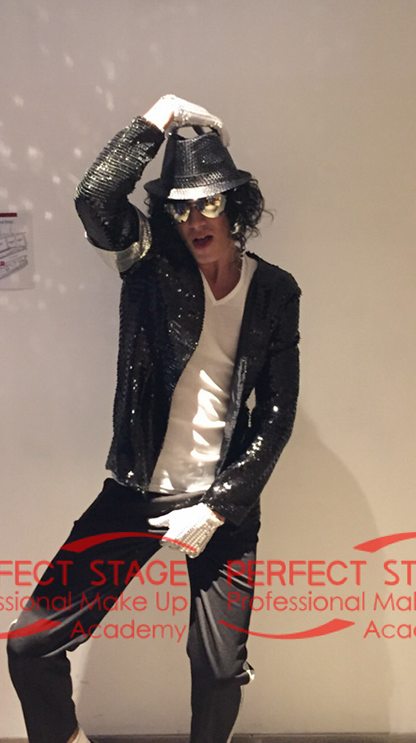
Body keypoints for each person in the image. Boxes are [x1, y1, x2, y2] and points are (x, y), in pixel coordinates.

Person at [7, 95, 301, 743]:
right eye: (180, 206)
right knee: (30, 645)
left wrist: (217, 509)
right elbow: (95, 199)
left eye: (209, 202)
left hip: (221, 503)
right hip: (137, 491)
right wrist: (158, 116)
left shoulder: (275, 291)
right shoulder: (149, 266)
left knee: (219, 671)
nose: (195, 219)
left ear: (235, 205)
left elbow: (276, 415)